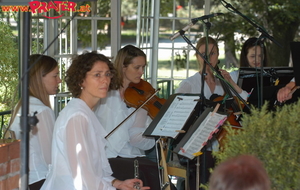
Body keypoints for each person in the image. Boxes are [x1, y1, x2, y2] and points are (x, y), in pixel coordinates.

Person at [41, 52, 150, 190]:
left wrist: (117, 183)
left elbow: (93, 170)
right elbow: (82, 177)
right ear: (81, 80)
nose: (105, 80)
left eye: (107, 74)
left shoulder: (86, 112)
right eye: (97, 75)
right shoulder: (77, 117)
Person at [175, 36, 248, 190]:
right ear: (197, 57)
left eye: (213, 53)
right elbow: (176, 116)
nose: (209, 58)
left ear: (218, 55)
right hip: (197, 148)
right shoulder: (188, 84)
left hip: (222, 144)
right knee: (209, 163)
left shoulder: (224, 82)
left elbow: (245, 104)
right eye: (204, 54)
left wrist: (231, 83)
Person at [94, 45, 163, 190]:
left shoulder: (143, 97)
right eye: (137, 67)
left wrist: (157, 132)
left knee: (155, 175)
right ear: (123, 67)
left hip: (132, 159)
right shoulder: (104, 94)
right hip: (104, 159)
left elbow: (140, 142)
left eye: (143, 67)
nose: (141, 72)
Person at [8, 54, 61, 190]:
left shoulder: (23, 105)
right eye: (55, 76)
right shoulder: (41, 111)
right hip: (40, 180)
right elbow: (51, 158)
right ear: (39, 78)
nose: (59, 80)